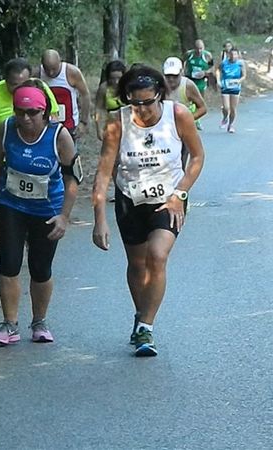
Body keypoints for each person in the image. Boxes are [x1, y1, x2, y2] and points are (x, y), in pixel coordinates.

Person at [91, 66, 204, 357]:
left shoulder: (178, 115)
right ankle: (141, 314)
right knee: (137, 265)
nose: (142, 109)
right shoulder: (117, 123)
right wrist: (99, 218)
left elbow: (197, 157)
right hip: (130, 198)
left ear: (159, 96)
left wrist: (180, 193)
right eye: (135, 103)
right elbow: (104, 173)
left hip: (169, 198)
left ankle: (146, 328)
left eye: (148, 102)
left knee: (157, 256)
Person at [0, 80, 81, 345]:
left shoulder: (59, 136)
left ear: (44, 112)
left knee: (40, 268)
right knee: (9, 263)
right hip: (11, 204)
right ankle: (9, 324)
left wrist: (64, 216)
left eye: (33, 112)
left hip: (47, 209)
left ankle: (39, 321)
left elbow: (73, 178)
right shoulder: (8, 128)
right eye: (21, 112)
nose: (26, 118)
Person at [0, 58, 59, 169]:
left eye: (24, 83)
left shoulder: (41, 89)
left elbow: (54, 120)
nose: (19, 88)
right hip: (6, 156)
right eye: (13, 84)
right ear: (5, 80)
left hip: (38, 156)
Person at [163, 56, 207, 168]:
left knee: (180, 162)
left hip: (183, 130)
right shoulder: (159, 86)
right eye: (168, 76)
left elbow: (202, 108)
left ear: (181, 73)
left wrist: (188, 120)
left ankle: (180, 184)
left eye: (175, 76)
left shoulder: (187, 86)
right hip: (163, 129)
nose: (171, 79)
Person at [38, 49, 91, 141]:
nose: (51, 73)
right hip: (46, 124)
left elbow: (85, 95)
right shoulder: (37, 74)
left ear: (60, 62)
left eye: (54, 68)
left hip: (69, 125)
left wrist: (84, 122)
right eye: (47, 69)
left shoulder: (72, 72)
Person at [95, 60, 127, 141]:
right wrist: (99, 128)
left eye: (119, 78)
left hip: (128, 125)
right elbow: (99, 108)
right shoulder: (104, 88)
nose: (116, 82)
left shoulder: (128, 87)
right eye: (112, 78)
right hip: (112, 125)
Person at [218, 48, 246, 133]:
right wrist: (218, 81)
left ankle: (231, 125)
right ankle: (225, 117)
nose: (233, 56)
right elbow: (218, 70)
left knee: (233, 108)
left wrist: (239, 81)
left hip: (235, 87)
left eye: (235, 55)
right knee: (226, 107)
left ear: (238, 55)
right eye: (232, 54)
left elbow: (244, 76)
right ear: (229, 55)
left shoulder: (240, 63)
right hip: (225, 86)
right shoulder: (224, 63)